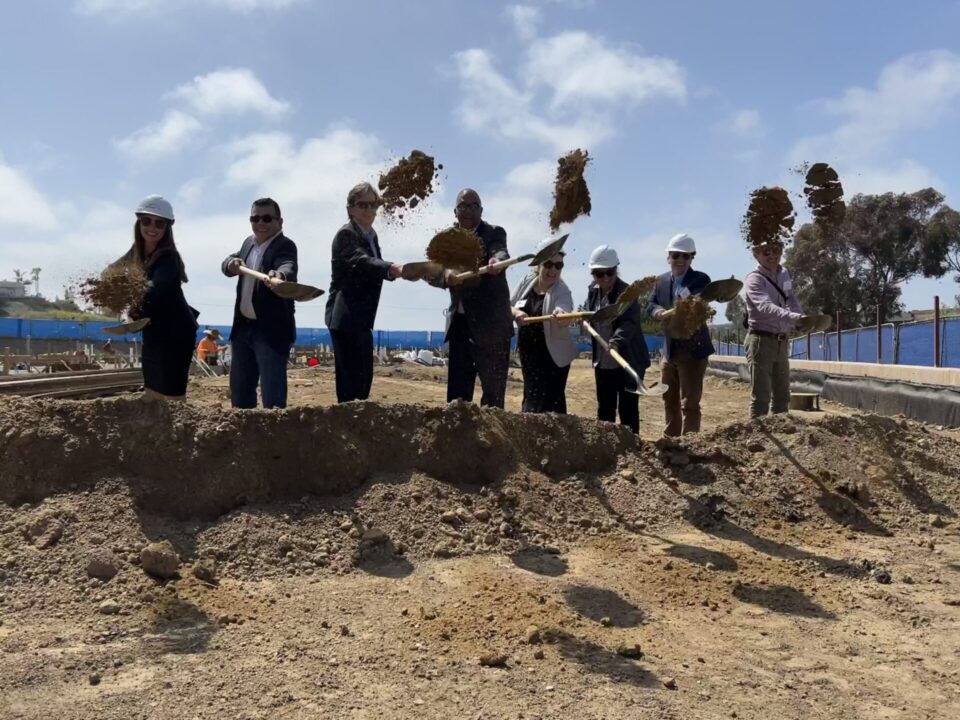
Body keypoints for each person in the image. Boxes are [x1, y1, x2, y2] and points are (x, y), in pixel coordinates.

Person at [434, 188, 513, 408]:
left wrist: (496, 262)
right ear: (455, 211)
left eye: (474, 206)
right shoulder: (447, 239)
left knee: (493, 399)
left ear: (481, 210)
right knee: (457, 399)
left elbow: (500, 251)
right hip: (460, 325)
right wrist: (445, 274)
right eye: (463, 206)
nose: (468, 211)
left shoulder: (494, 233)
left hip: (492, 327)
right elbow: (434, 270)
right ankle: (457, 440)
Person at [325, 182, 403, 403]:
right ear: (350, 209)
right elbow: (362, 262)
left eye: (373, 205)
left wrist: (390, 271)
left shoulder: (370, 234)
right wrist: (390, 268)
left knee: (363, 381)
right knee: (350, 385)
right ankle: (346, 431)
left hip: (362, 318)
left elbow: (371, 264)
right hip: (345, 318)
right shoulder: (346, 234)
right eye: (362, 205)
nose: (369, 210)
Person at [221, 198, 298, 409]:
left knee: (272, 397)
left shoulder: (285, 245)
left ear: (279, 222)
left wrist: (279, 274)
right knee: (240, 393)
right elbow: (228, 262)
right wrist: (231, 263)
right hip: (243, 330)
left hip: (270, 332)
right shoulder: (248, 243)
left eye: (266, 218)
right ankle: (245, 438)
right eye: (255, 218)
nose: (260, 223)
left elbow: (288, 265)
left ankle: (273, 439)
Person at [124, 195, 199, 401]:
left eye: (160, 223)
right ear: (139, 222)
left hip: (176, 332)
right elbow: (115, 271)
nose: (152, 228)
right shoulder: (136, 252)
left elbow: (158, 291)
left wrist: (132, 310)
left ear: (167, 227)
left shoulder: (168, 257)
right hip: (154, 328)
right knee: (153, 391)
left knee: (172, 395)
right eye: (147, 221)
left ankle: (178, 433)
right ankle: (158, 433)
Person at [646, 233, 714, 437]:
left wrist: (690, 304)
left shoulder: (700, 279)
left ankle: (690, 445)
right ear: (668, 258)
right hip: (669, 350)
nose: (680, 261)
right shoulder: (661, 281)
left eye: (686, 256)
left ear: (692, 258)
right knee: (669, 399)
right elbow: (650, 303)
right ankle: (671, 441)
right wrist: (657, 311)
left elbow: (700, 297)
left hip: (693, 351)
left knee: (690, 402)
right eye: (676, 256)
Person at [586, 245, 650, 434]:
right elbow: (593, 317)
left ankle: (631, 449)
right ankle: (607, 447)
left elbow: (629, 323)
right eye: (599, 274)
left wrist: (615, 342)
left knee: (627, 409)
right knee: (605, 408)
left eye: (610, 272)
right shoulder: (593, 292)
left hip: (627, 359)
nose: (605, 278)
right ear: (593, 274)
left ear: (616, 270)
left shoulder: (627, 293)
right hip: (603, 361)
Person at [510, 239, 579, 413]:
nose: (553, 270)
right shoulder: (527, 281)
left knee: (551, 403)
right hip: (529, 353)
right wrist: (516, 313)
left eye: (559, 265)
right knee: (531, 396)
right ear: (538, 264)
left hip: (553, 357)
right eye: (548, 264)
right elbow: (508, 305)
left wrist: (561, 315)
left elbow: (565, 310)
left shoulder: (562, 290)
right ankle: (529, 435)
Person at [744, 240, 804, 417]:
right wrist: (794, 318)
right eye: (766, 252)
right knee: (761, 397)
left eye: (776, 250)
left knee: (782, 397)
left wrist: (802, 317)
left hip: (782, 342)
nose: (772, 255)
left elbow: (790, 298)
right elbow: (765, 307)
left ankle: (782, 433)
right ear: (756, 254)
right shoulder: (753, 279)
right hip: (761, 342)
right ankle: (757, 437)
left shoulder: (784, 273)